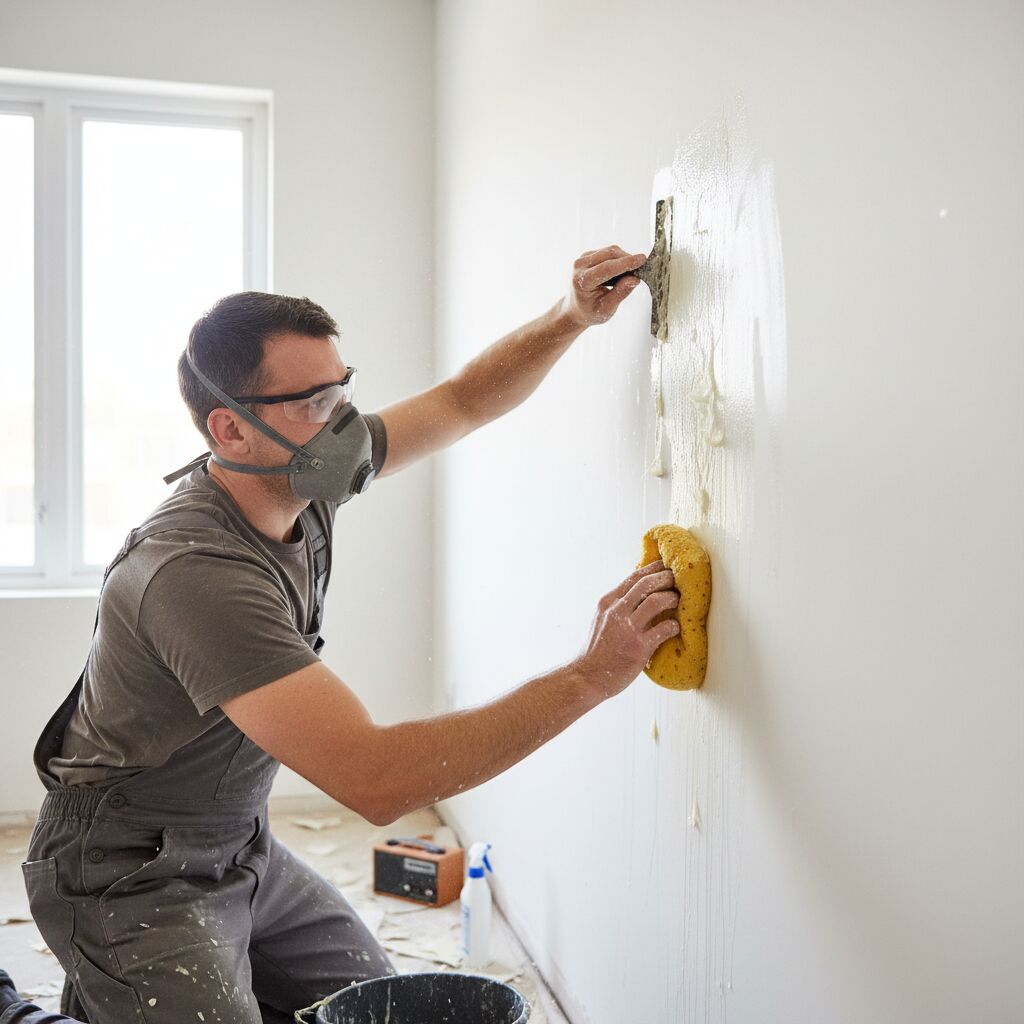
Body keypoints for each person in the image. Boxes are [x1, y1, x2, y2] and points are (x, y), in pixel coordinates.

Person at [21, 245, 682, 1024]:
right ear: (230, 430)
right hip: (128, 871)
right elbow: (377, 781)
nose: (341, 422)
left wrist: (569, 317)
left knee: (374, 1008)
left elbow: (463, 401)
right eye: (312, 403)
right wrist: (588, 677)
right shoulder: (195, 575)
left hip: (240, 845)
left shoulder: (303, 475)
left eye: (342, 390)